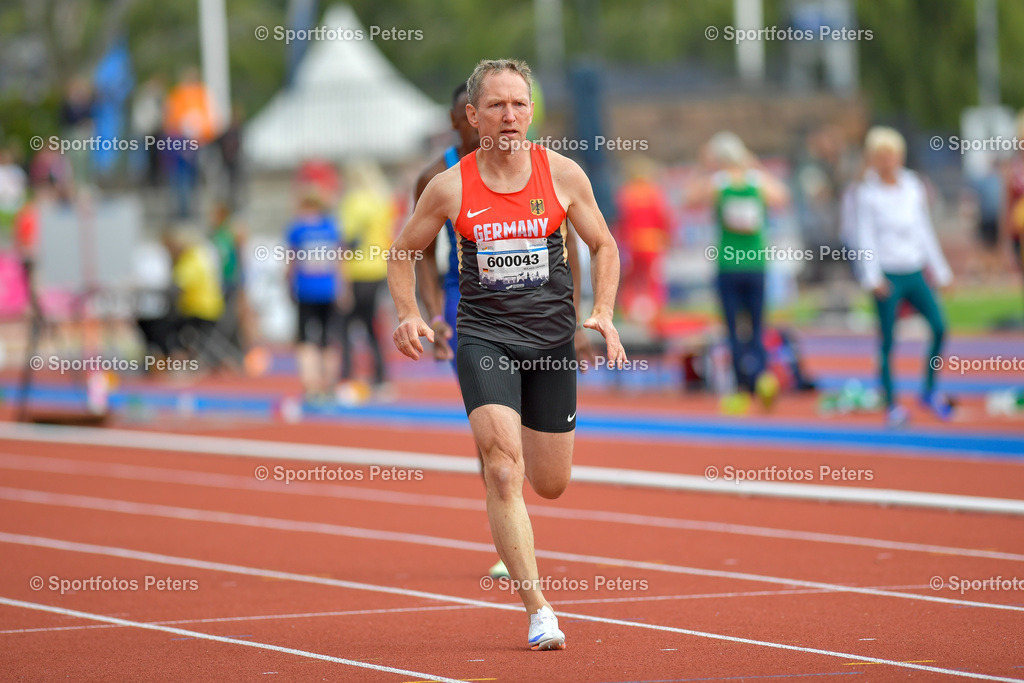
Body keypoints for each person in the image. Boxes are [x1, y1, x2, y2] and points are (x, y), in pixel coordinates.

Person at [388, 58, 625, 651]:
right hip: (485, 337)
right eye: (497, 105)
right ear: (473, 115)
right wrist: (410, 313)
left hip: (550, 342)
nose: (510, 115)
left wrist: (603, 310)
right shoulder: (449, 185)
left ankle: (528, 481)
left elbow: (603, 244)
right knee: (500, 467)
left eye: (519, 104)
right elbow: (402, 252)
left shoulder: (562, 174)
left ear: (531, 111)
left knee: (551, 482)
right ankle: (538, 608)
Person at [855, 127, 953, 427]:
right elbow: (864, 237)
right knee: (887, 340)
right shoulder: (867, 193)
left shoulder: (912, 185)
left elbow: (924, 229)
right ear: (873, 158)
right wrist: (872, 277)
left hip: (914, 269)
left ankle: (929, 389)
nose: (888, 160)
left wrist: (941, 270)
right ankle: (891, 403)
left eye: (892, 154)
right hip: (888, 273)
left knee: (939, 327)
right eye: (881, 155)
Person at [687, 132, 789, 395]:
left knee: (732, 329)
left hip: (729, 265)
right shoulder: (757, 181)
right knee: (757, 326)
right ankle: (760, 380)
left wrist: (703, 167)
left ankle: (740, 383)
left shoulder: (718, 183)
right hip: (755, 264)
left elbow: (688, 198)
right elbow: (783, 197)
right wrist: (756, 165)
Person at [337, 162, 394, 398]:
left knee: (343, 326)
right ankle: (380, 377)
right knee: (372, 324)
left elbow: (348, 241)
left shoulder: (352, 202)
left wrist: (341, 275)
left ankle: (346, 377)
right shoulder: (383, 200)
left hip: (357, 269)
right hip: (378, 268)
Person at [286, 189, 342, 402]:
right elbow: (339, 260)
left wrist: (289, 285)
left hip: (306, 290)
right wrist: (342, 287)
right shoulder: (331, 227)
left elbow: (291, 262)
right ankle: (329, 384)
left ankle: (311, 385)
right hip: (328, 289)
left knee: (305, 340)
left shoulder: (297, 229)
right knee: (328, 339)